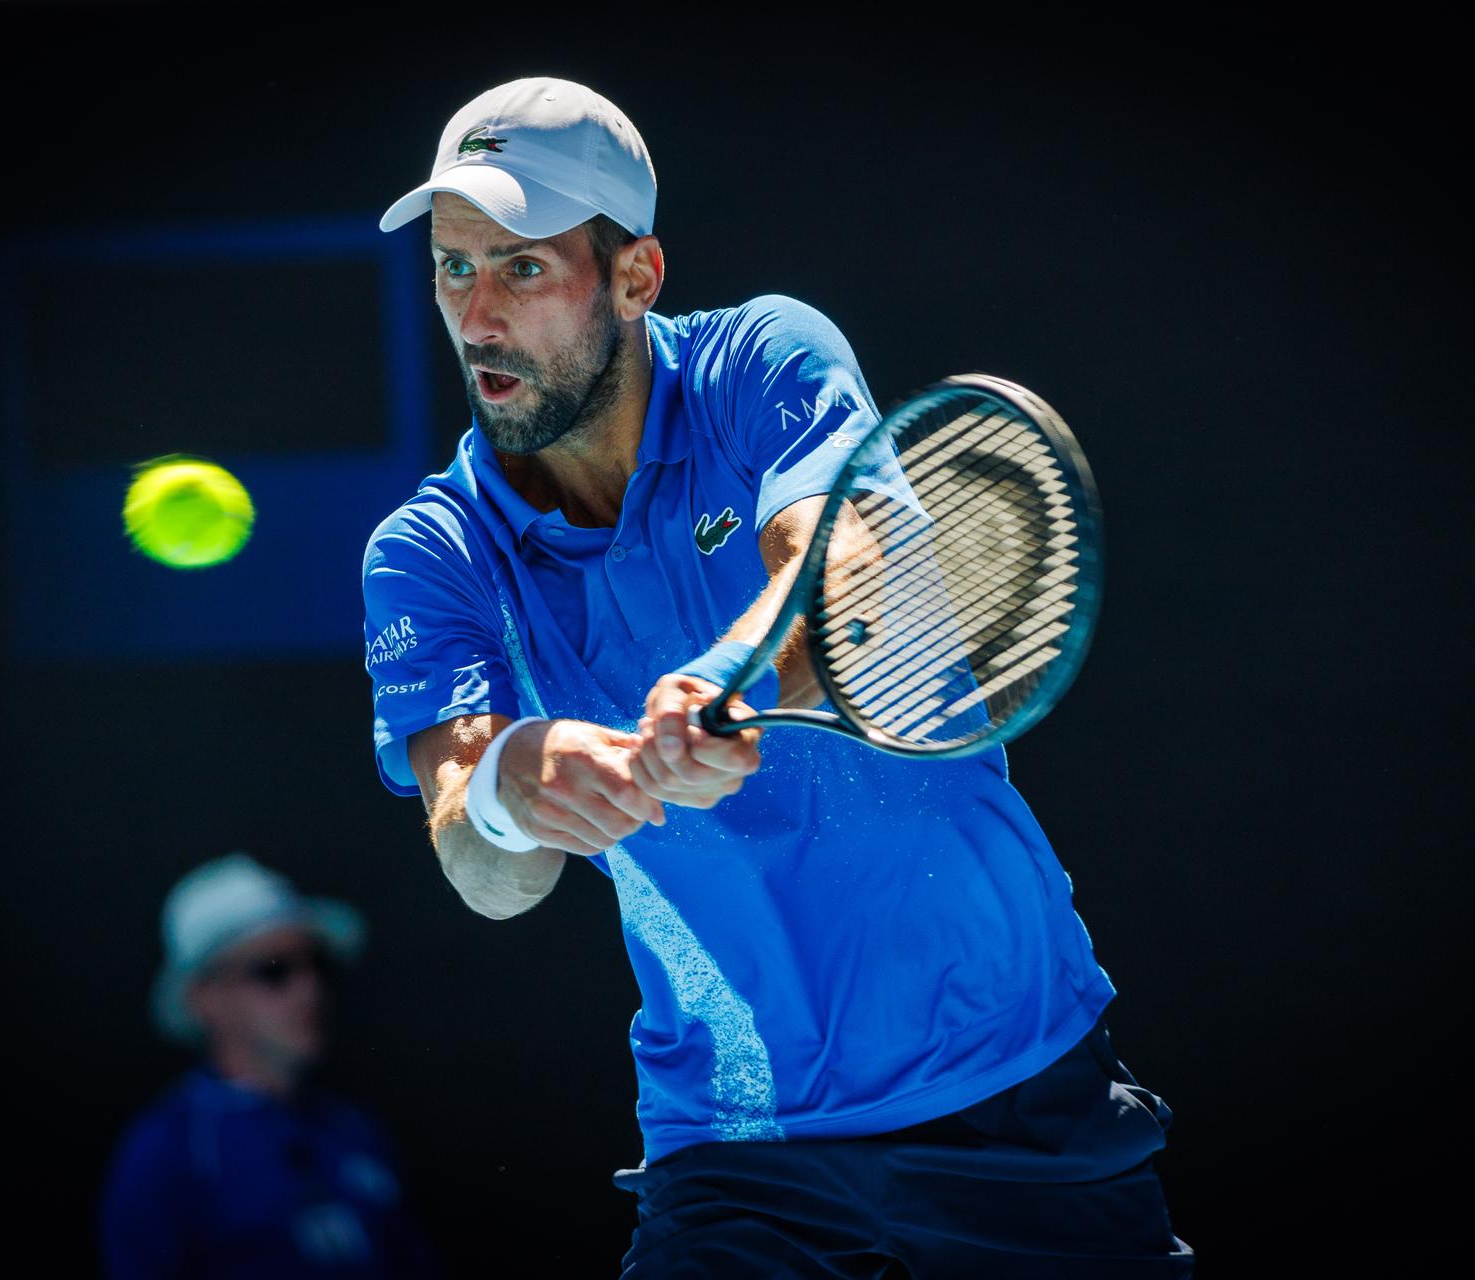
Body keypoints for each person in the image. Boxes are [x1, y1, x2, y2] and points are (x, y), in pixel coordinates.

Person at [362, 77, 1195, 1276]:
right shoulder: (427, 553)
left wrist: (727, 683)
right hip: (737, 1150)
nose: (477, 316)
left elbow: (845, 572)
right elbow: (483, 866)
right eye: (453, 269)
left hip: (1014, 1088)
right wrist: (511, 780)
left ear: (637, 277)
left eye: (522, 269)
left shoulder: (763, 358)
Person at [100, 854, 438, 1278]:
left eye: (316, 965)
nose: (308, 990)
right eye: (273, 970)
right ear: (203, 998)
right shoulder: (167, 1155)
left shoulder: (357, 1130)